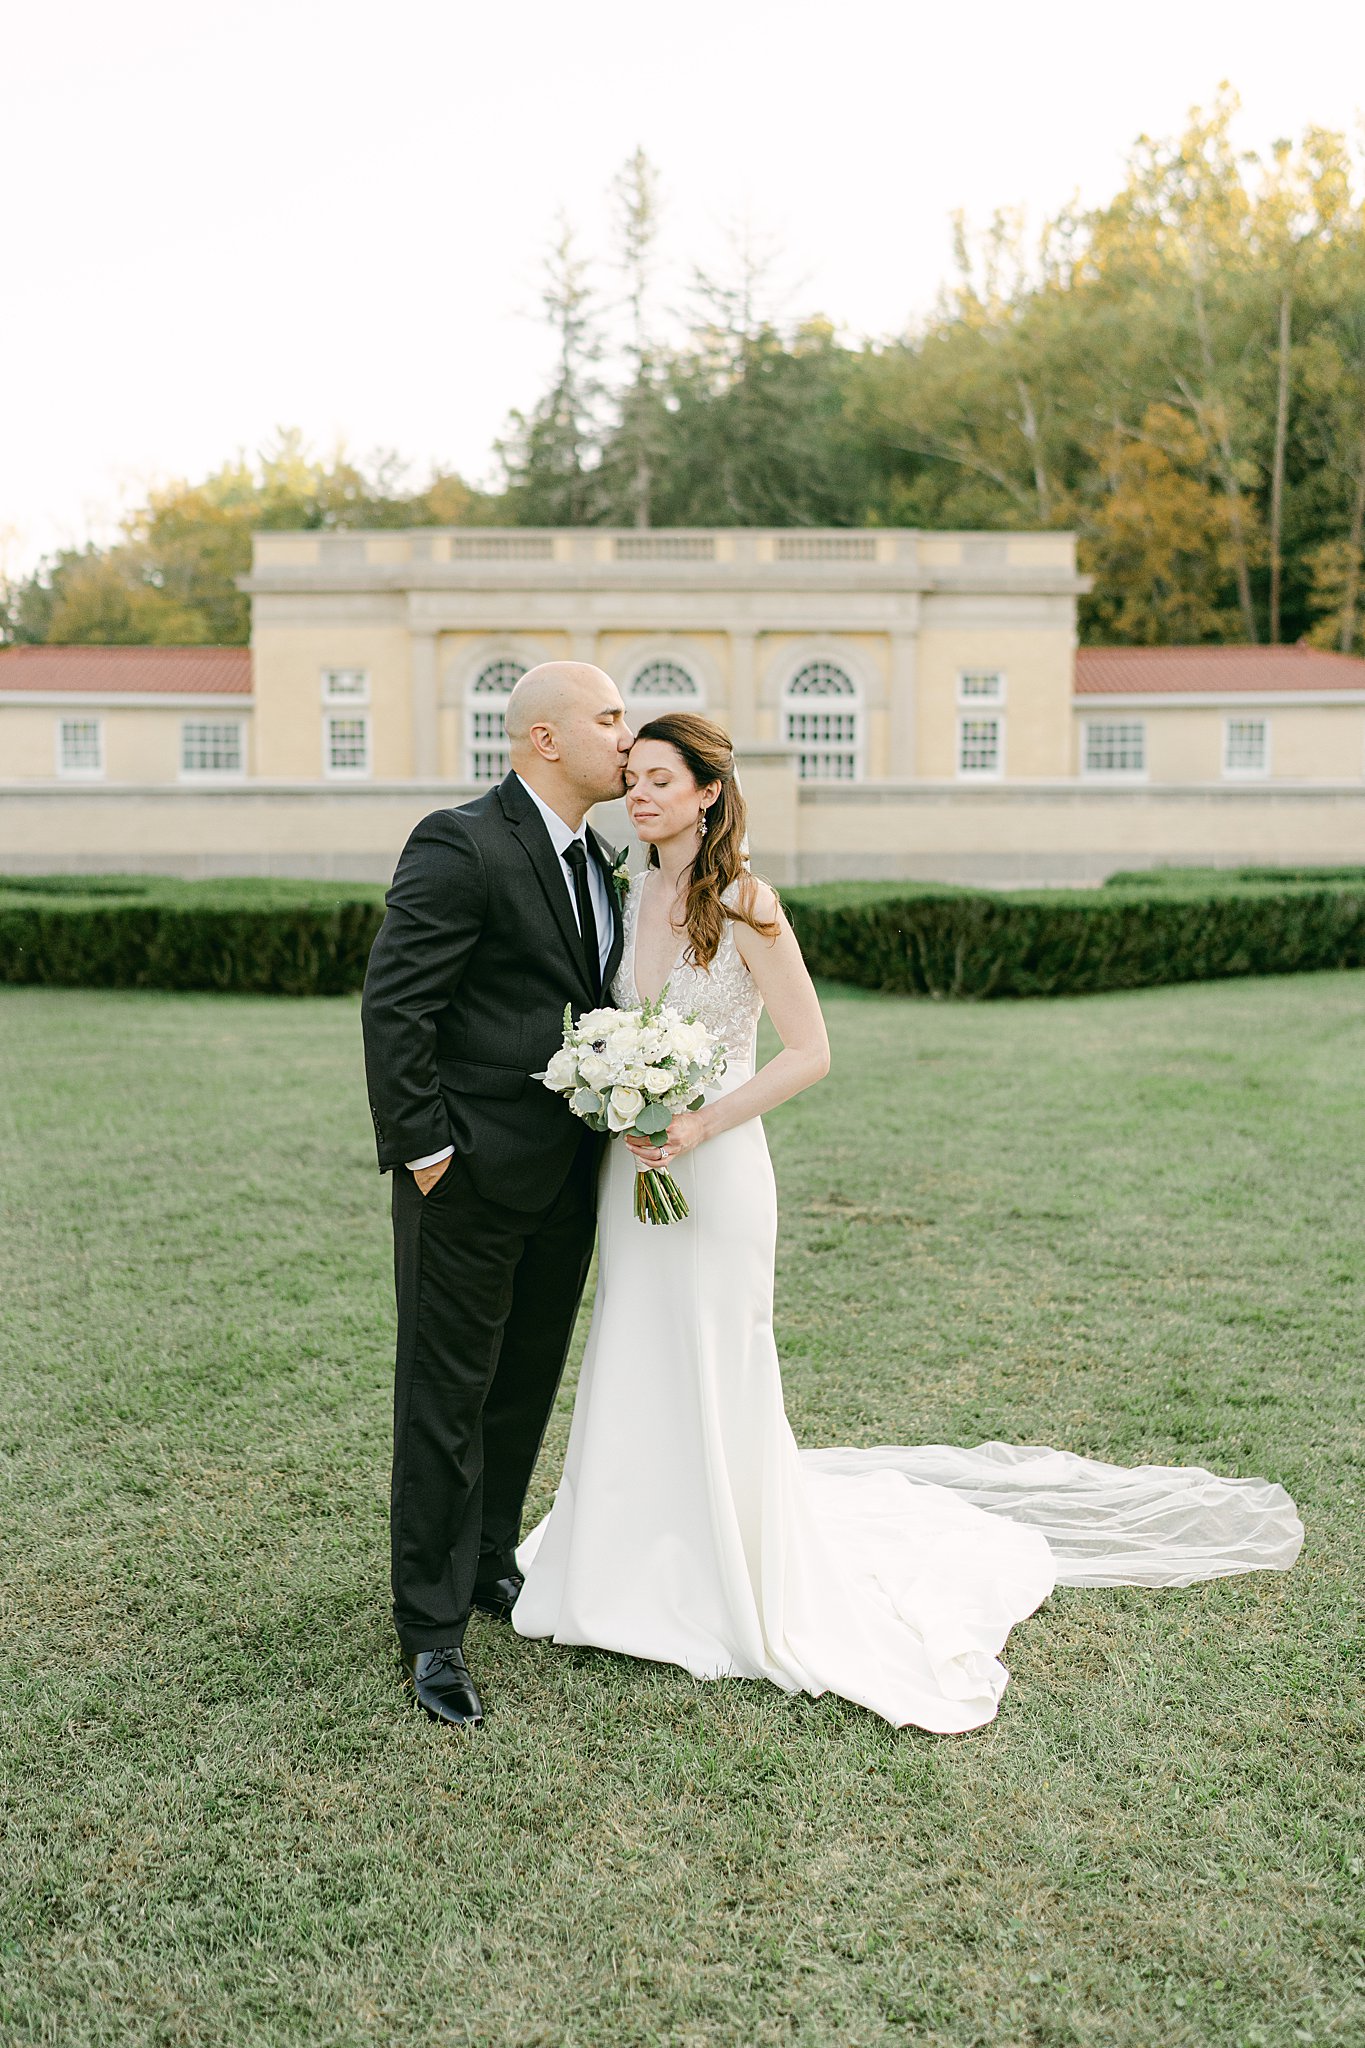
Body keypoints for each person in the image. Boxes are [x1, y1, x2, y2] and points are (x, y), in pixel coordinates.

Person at [511, 712, 1304, 1732]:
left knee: (718, 1351)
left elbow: (810, 1050)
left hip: (720, 1168)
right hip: (634, 1172)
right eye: (636, 779)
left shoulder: (748, 904)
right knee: (634, 1342)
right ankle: (622, 1557)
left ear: (707, 793)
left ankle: (727, 1568)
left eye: (662, 778)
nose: (642, 794)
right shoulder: (624, 896)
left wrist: (701, 1119)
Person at [360, 662, 632, 1728]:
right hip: (466, 1175)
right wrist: (428, 1150)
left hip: (568, 1175)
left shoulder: (599, 858)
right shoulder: (460, 840)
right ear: (546, 739)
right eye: (609, 718)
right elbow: (397, 1004)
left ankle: (487, 1562)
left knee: (521, 1388)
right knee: (446, 1397)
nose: (627, 734)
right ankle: (430, 1629)